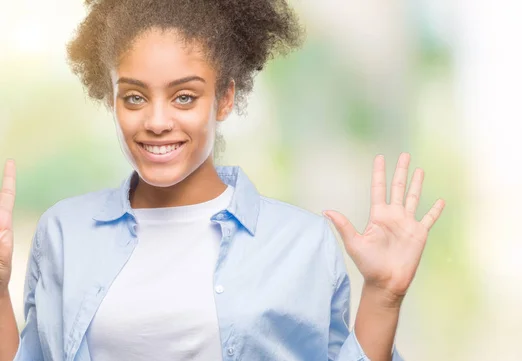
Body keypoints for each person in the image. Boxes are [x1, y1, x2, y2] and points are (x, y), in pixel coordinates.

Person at [0, 0, 445, 360]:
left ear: (225, 98)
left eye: (185, 97)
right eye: (134, 97)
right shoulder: (63, 232)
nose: (156, 121)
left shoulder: (301, 242)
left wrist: (383, 296)